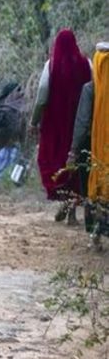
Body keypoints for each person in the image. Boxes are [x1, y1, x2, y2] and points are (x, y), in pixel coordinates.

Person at [30, 28, 92, 224]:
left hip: (55, 127)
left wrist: (34, 121)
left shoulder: (51, 66)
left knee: (55, 163)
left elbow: (41, 96)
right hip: (79, 126)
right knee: (76, 164)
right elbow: (92, 90)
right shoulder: (86, 64)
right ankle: (70, 209)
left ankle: (65, 204)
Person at [69, 41, 108, 248]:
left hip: (92, 150)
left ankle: (95, 237)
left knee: (92, 190)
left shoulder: (90, 89)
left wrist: (74, 151)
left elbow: (83, 122)